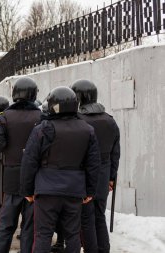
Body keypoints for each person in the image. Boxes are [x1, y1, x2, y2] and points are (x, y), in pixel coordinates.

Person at [20, 86, 100, 253]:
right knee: (72, 235)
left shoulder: (43, 128)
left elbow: (29, 162)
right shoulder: (87, 129)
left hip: (46, 190)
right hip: (74, 189)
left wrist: (27, 190)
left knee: (43, 234)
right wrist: (90, 191)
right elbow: (93, 164)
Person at [0, 77, 41, 253]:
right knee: (29, 227)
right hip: (36, 177)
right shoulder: (42, 117)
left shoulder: (4, 118)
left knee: (5, 225)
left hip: (11, 177)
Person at [71, 79, 120, 253]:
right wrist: (112, 177)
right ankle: (103, 249)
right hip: (104, 174)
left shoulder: (78, 120)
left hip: (83, 175)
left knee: (86, 218)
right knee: (99, 216)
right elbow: (116, 153)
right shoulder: (110, 121)